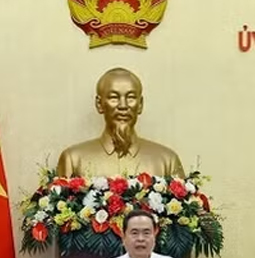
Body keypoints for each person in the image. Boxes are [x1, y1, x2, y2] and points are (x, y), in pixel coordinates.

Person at [56, 67, 185, 178]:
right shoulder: (73, 159)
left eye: (130, 97)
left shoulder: (166, 160)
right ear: (99, 104)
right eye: (114, 97)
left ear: (140, 105)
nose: (123, 106)